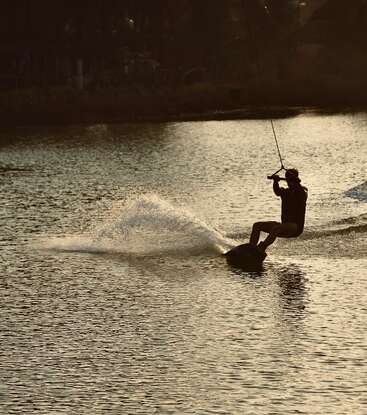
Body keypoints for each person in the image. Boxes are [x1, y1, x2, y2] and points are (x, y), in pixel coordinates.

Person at [249, 168, 308, 252]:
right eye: (288, 180)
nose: (289, 183)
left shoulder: (302, 192)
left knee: (275, 229)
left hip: (296, 228)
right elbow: (277, 191)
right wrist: (275, 181)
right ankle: (250, 248)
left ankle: (262, 247)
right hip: (285, 225)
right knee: (257, 225)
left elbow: (301, 190)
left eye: (291, 180)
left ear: (295, 180)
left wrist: (294, 179)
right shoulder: (286, 192)